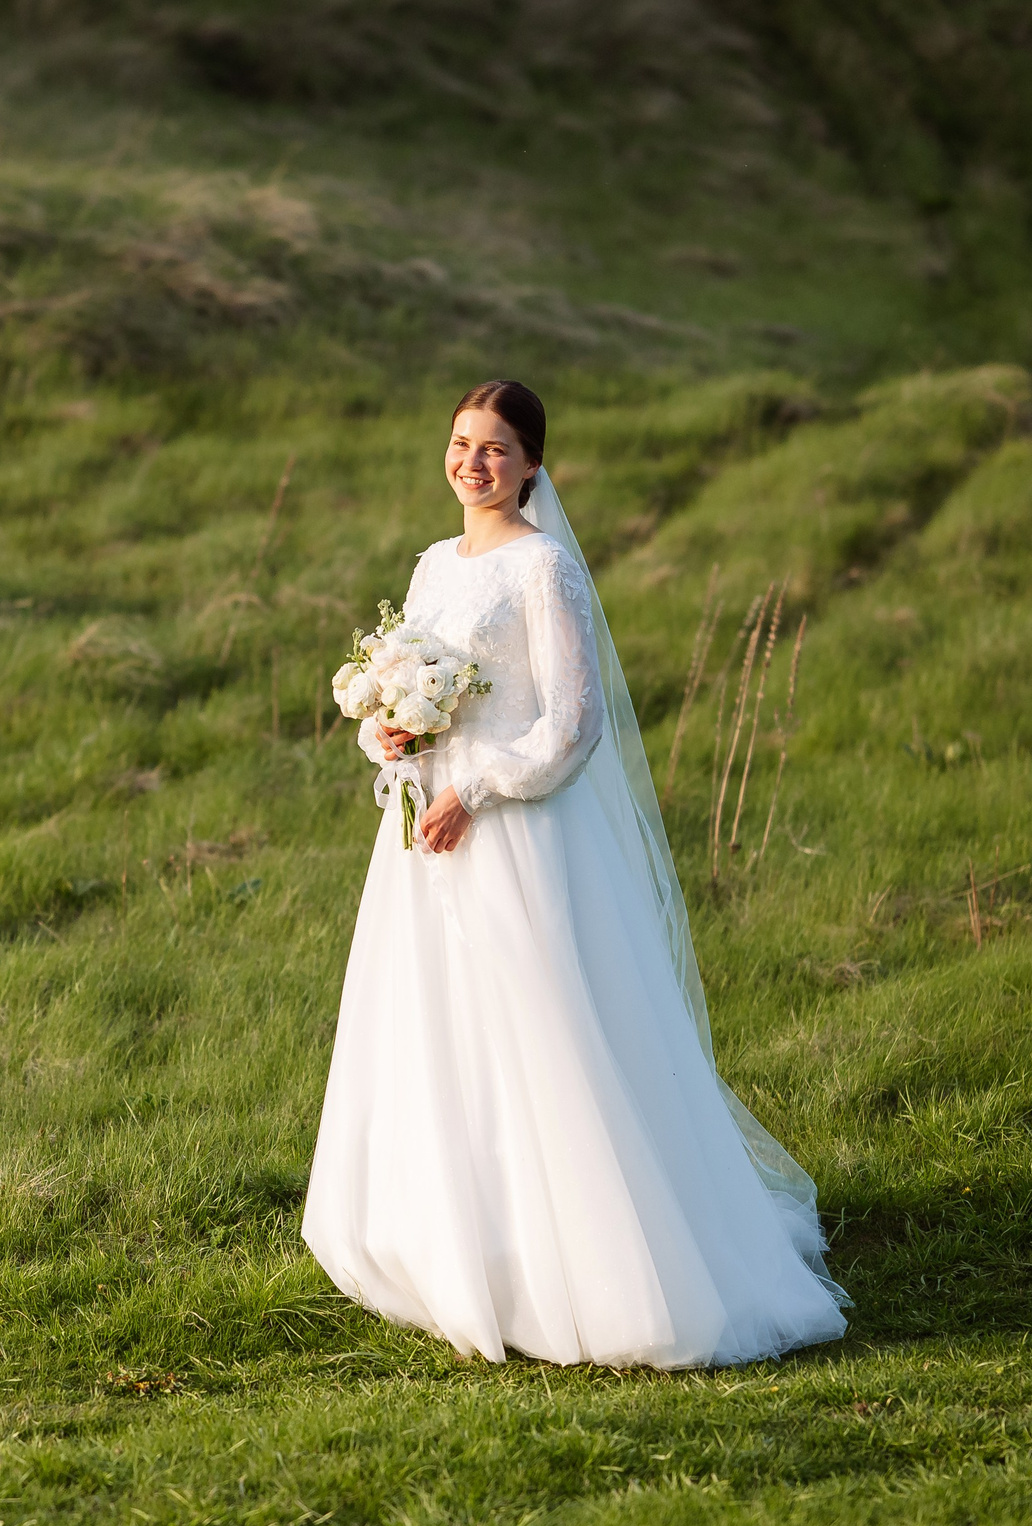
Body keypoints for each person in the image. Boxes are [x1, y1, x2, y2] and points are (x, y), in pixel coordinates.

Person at [302, 379, 849, 1369]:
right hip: (425, 838)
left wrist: (482, 790)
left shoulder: (542, 567)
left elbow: (571, 721)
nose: (475, 462)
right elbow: (410, 694)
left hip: (514, 835)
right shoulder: (432, 566)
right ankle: (468, 1246)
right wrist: (389, 737)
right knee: (443, 1034)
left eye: (497, 448)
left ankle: (599, 1264)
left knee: (544, 1034)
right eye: (462, 441)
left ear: (532, 466)